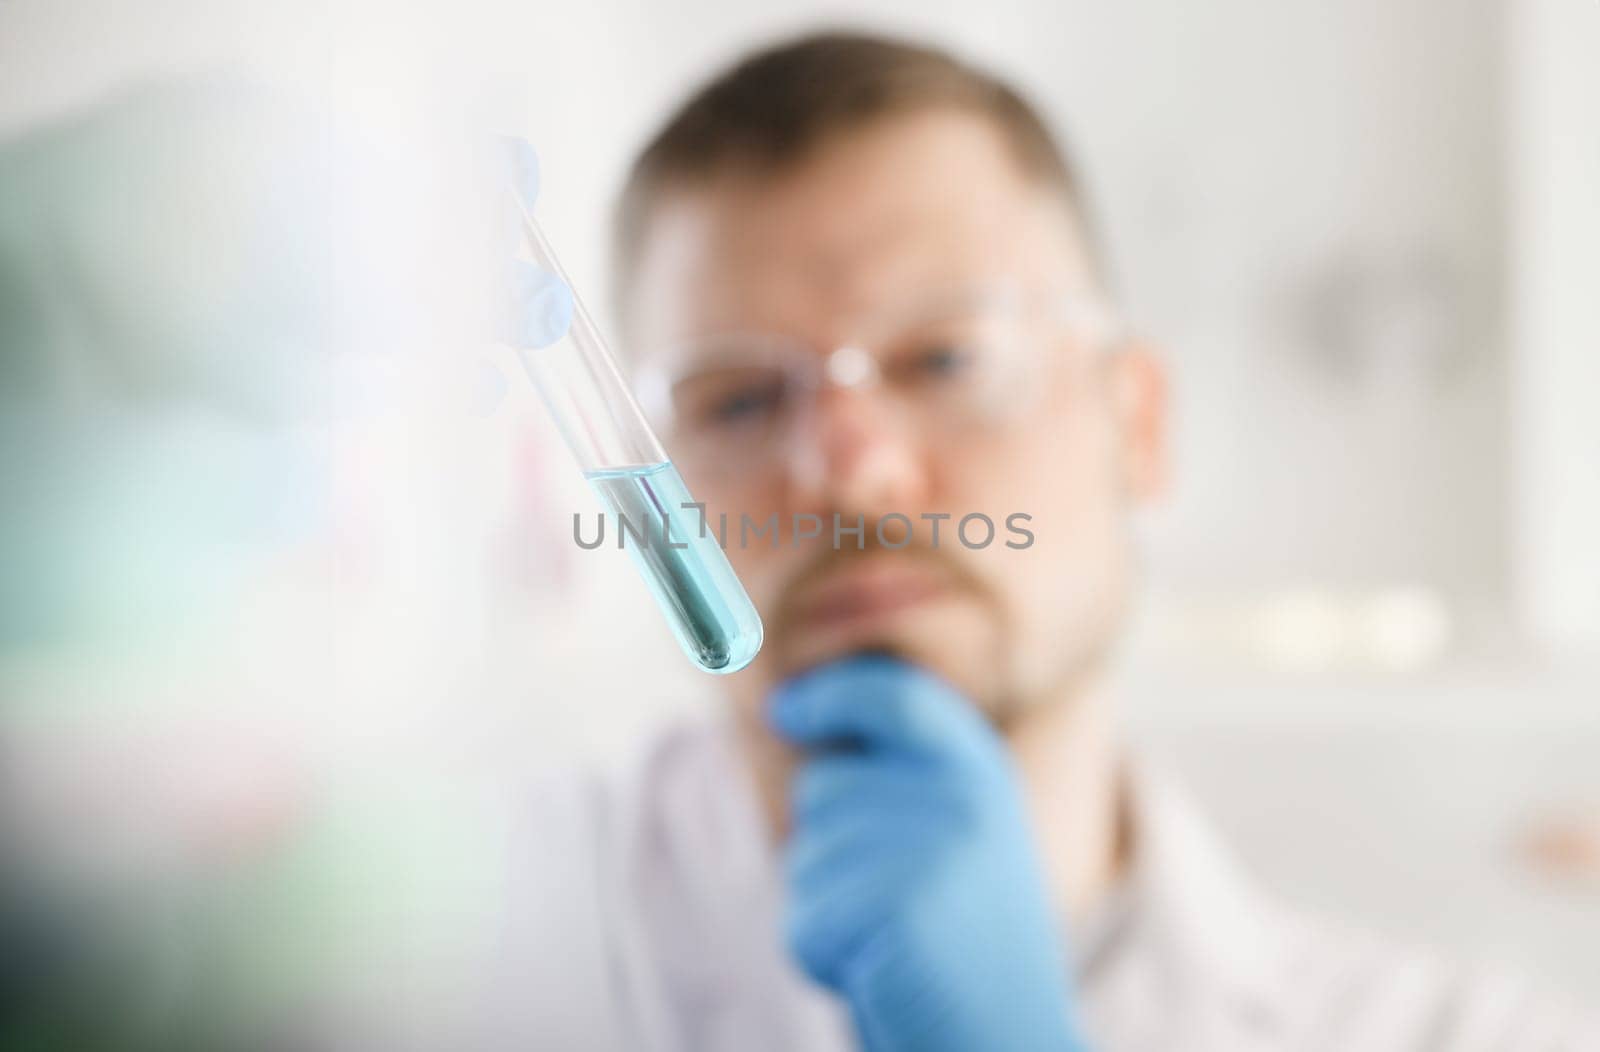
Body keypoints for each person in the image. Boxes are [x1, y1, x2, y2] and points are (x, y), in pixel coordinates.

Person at [498, 31, 1593, 1052]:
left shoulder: (1461, 1032)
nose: (851, 466)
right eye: (736, 400)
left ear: (1139, 423)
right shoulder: (456, 940)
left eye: (946, 360)